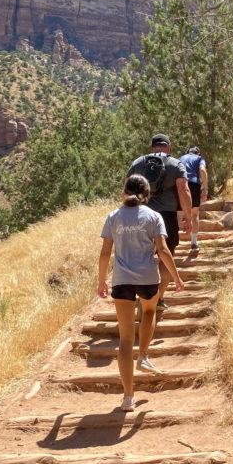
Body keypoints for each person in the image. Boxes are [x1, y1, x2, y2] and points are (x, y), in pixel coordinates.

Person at [98, 174, 185, 411]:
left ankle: (128, 397)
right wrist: (176, 277)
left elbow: (105, 253)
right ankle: (144, 354)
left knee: (125, 340)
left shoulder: (113, 217)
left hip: (122, 280)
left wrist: (101, 282)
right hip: (148, 277)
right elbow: (164, 251)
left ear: (125, 191)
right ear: (147, 194)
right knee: (149, 311)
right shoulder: (154, 216)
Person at [127, 133, 192, 310]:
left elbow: (127, 189)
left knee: (141, 257)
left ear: (152, 147)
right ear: (168, 148)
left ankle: (141, 296)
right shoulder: (175, 164)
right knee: (166, 255)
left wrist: (127, 215)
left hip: (141, 215)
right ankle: (159, 298)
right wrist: (188, 217)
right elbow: (183, 190)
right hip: (167, 216)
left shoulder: (138, 163)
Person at [179, 145, 209, 253]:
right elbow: (202, 170)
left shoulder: (180, 158)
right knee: (194, 214)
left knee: (178, 214)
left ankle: (171, 241)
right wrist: (205, 189)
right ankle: (194, 243)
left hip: (180, 184)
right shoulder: (199, 159)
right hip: (193, 183)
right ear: (198, 153)